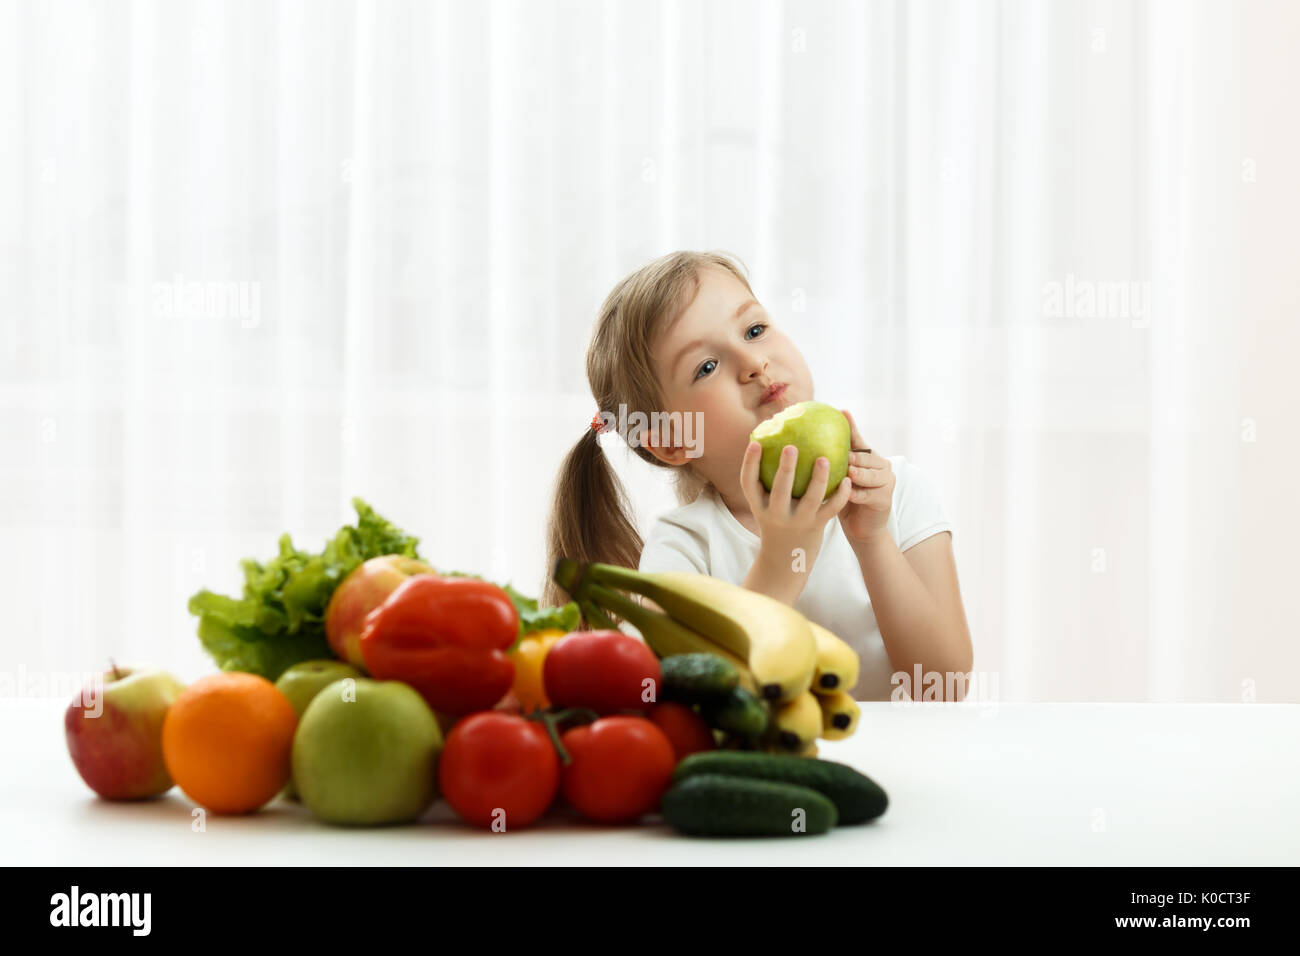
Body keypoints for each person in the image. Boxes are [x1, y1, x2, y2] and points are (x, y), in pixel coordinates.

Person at [542, 250, 972, 700]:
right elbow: (683, 702)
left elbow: (941, 687)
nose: (753, 362)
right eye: (706, 367)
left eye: (754, 330)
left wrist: (873, 541)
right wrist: (782, 559)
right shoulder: (685, 546)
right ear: (671, 441)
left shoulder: (897, 496)